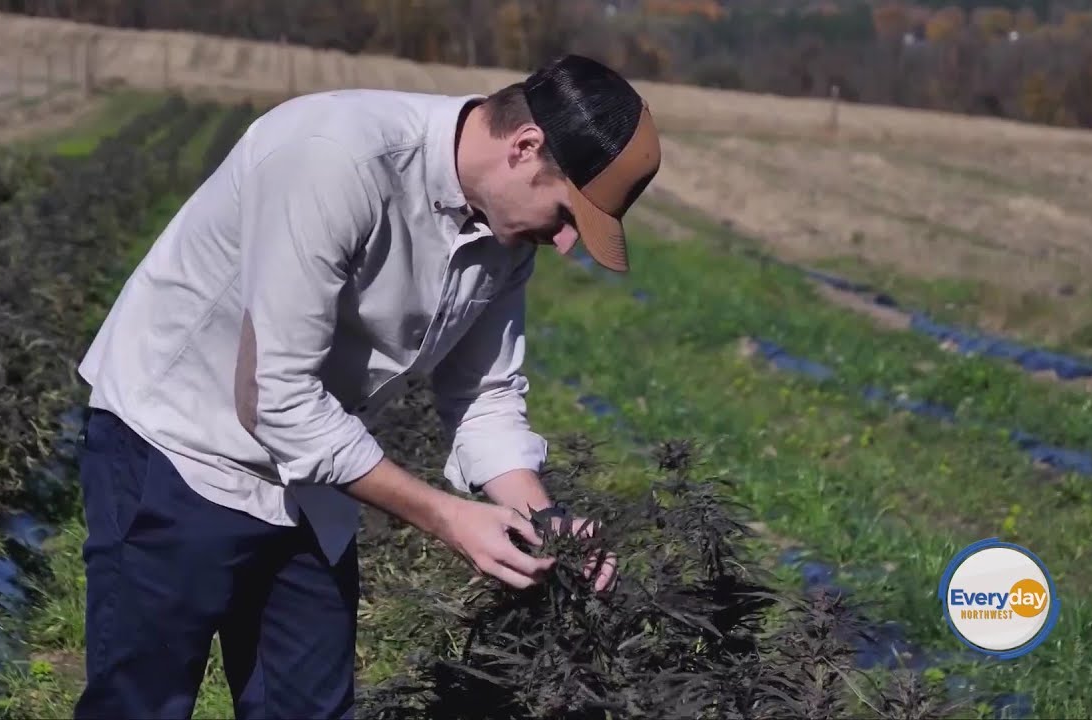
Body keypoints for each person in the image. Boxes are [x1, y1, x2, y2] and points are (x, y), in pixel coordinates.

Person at [71, 53, 661, 719]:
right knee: (141, 703)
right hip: (179, 451)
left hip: (312, 482)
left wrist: (543, 519)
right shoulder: (336, 159)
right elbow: (273, 396)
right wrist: (449, 518)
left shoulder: (505, 235)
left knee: (310, 708)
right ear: (525, 147)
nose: (562, 244)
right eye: (564, 213)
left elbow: (483, 394)